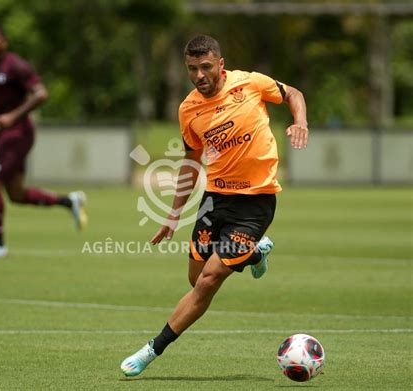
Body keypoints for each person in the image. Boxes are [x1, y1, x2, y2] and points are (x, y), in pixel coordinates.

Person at [120, 35, 308, 376]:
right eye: (192, 69)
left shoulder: (250, 84)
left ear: (220, 64)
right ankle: (255, 252)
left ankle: (151, 349)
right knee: (196, 279)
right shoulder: (188, 109)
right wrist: (173, 214)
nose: (199, 75)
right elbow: (190, 163)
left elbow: (294, 94)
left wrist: (300, 122)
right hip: (214, 202)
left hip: (255, 203)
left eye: (206, 67)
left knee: (208, 281)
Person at [0, 26, 87, 259]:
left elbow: (41, 94)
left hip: (19, 133)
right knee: (16, 194)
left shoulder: (16, 65)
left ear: (5, 41)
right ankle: (69, 201)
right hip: (2, 135)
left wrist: (13, 116)